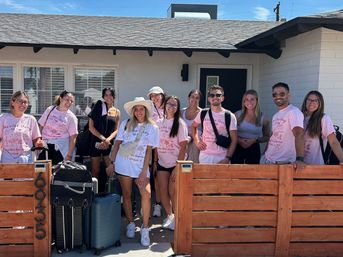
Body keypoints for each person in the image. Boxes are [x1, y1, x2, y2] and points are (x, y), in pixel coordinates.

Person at [107, 97, 159, 247]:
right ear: (133, 111)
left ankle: (145, 228)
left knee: (147, 194)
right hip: (123, 165)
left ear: (146, 110)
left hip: (141, 166)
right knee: (127, 195)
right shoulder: (125, 124)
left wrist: (144, 172)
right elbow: (117, 145)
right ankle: (130, 223)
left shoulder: (152, 128)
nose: (139, 112)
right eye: (136, 109)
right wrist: (112, 162)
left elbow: (149, 151)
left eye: (141, 109)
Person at [156, 96, 188, 230]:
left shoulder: (180, 123)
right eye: (169, 103)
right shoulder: (159, 122)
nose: (171, 107)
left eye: (175, 105)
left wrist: (177, 166)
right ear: (165, 105)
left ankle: (176, 217)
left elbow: (184, 146)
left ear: (177, 108)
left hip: (175, 164)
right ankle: (170, 216)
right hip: (161, 163)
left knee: (173, 192)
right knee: (163, 191)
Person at [262, 82, 305, 167]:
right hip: (268, 159)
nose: (278, 97)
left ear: (289, 95)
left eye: (282, 94)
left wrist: (300, 159)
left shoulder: (293, 112)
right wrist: (264, 153)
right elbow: (272, 136)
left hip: (282, 163)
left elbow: (299, 134)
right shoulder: (276, 115)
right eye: (275, 95)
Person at [192, 85, 238, 164]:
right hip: (205, 155)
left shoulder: (229, 116)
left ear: (222, 98)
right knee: (204, 177)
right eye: (212, 95)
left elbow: (234, 139)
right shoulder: (203, 113)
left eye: (218, 95)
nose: (215, 97)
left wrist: (228, 158)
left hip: (222, 156)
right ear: (209, 99)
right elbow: (193, 126)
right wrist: (197, 141)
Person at [0, 91, 43, 163]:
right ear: (12, 102)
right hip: (7, 158)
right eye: (20, 101)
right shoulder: (3, 118)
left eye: (25, 102)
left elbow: (36, 139)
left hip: (26, 158)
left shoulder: (31, 119)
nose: (23, 104)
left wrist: (39, 143)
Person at [301, 90, 343, 164]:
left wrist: (342, 159)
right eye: (309, 100)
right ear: (305, 101)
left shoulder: (323, 118)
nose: (311, 102)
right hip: (297, 165)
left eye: (315, 100)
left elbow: (333, 142)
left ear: (320, 103)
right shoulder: (300, 117)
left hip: (315, 166)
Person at [88, 88, 120, 181]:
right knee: (95, 170)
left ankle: (110, 193)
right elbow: (91, 127)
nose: (108, 97)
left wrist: (108, 140)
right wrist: (103, 139)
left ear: (114, 97)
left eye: (110, 95)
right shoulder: (98, 107)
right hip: (96, 142)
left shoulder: (117, 112)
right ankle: (94, 193)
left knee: (110, 170)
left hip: (109, 144)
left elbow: (116, 130)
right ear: (103, 96)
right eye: (106, 95)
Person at [38, 90, 78, 164]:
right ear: (61, 98)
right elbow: (41, 126)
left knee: (57, 172)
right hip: (45, 146)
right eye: (67, 100)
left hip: (60, 149)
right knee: (41, 171)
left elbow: (73, 138)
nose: (69, 103)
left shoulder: (71, 117)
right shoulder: (50, 109)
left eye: (71, 101)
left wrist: (69, 155)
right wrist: (39, 140)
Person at [232, 89, 270, 164]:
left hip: (254, 148)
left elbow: (267, 137)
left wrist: (255, 140)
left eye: (252, 99)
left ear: (257, 101)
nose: (249, 102)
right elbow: (229, 132)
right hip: (237, 147)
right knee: (236, 173)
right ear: (244, 102)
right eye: (246, 99)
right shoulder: (236, 115)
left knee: (252, 174)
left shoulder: (264, 118)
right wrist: (238, 140)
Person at [147, 86, 165, 217]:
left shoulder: (169, 107)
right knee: (154, 176)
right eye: (152, 96)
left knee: (165, 178)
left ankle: (168, 205)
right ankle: (157, 204)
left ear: (162, 95)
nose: (155, 98)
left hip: (167, 147)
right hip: (152, 147)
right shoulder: (149, 109)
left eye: (157, 95)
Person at [181, 89, 202, 163]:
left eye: (197, 98)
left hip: (195, 146)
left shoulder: (202, 113)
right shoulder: (181, 112)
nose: (194, 99)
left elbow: (199, 132)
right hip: (183, 143)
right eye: (192, 97)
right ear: (188, 98)